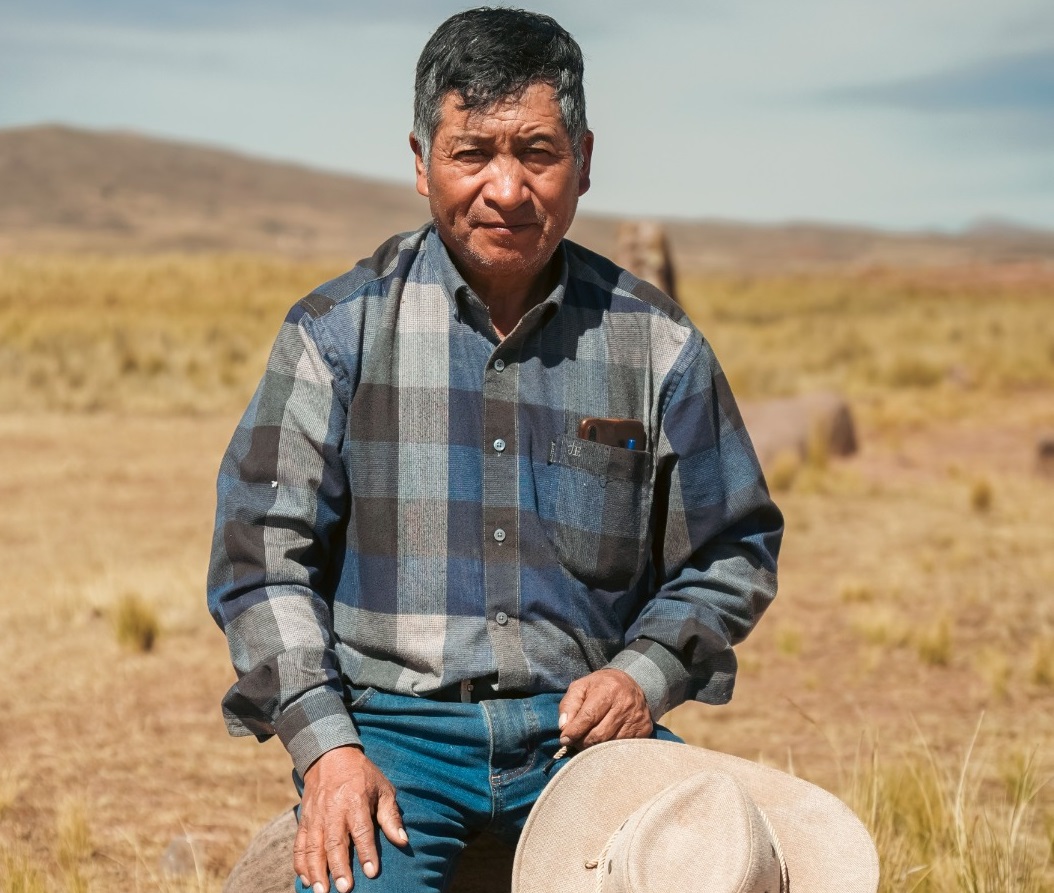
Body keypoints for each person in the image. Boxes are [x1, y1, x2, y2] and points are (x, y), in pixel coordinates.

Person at [207, 8, 783, 893]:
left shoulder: (658, 345)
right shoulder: (336, 333)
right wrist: (327, 748)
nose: (506, 189)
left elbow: (733, 548)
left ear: (584, 160)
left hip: (586, 737)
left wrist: (645, 673)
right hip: (395, 736)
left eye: (537, 153)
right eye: (473, 152)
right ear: (420, 160)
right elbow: (260, 560)